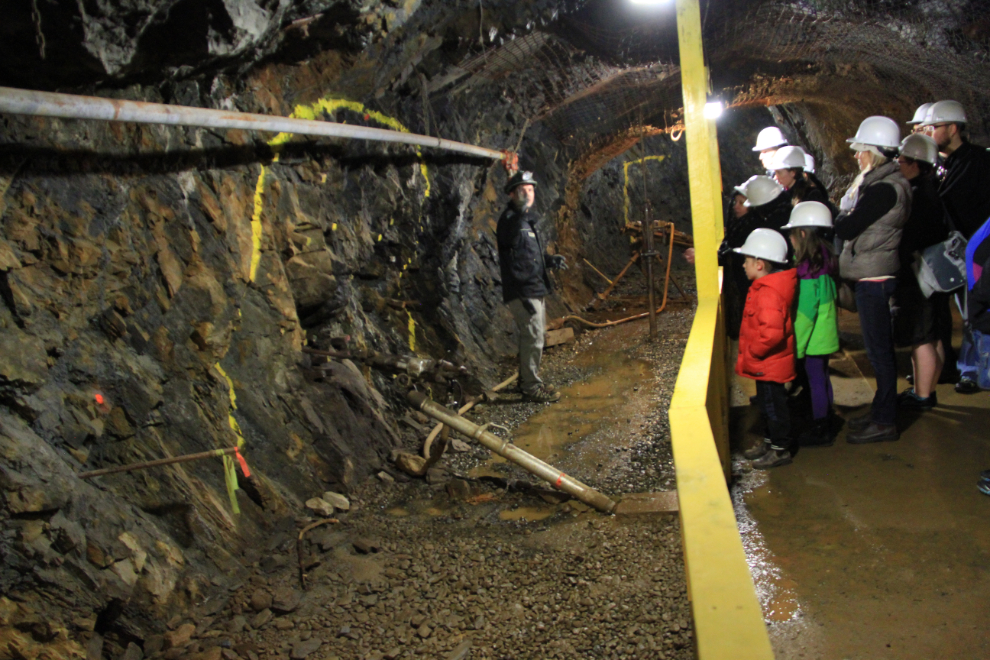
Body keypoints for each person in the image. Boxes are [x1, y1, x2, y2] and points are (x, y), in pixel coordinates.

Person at [835, 116, 912, 444]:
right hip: (873, 276)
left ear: (874, 152)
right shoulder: (885, 184)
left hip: (875, 280)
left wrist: (837, 215)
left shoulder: (883, 189)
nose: (856, 156)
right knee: (877, 351)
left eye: (860, 149)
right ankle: (881, 410)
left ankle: (885, 421)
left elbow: (847, 228)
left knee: (880, 353)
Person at [920, 100, 990, 394]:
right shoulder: (943, 165)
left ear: (952, 128)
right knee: (965, 312)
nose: (930, 132)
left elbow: (951, 199)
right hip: (956, 251)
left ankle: (973, 370)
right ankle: (970, 367)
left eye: (934, 127)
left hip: (979, 250)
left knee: (976, 311)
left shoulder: (976, 161)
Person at [496, 170, 567, 403]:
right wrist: (519, 209)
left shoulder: (527, 220)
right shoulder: (509, 221)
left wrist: (550, 260)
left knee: (533, 336)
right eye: (523, 190)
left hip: (535, 287)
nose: (529, 194)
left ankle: (527, 380)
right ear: (512, 194)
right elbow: (508, 240)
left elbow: (530, 256)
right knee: (534, 337)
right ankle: (530, 387)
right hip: (522, 290)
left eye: (531, 190)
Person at [892, 133, 951, 410]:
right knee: (934, 334)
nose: (898, 165)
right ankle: (926, 389)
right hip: (935, 274)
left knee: (921, 337)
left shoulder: (917, 196)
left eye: (901, 160)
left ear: (915, 164)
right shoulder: (932, 188)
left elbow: (910, 238)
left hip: (919, 276)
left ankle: (922, 396)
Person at [734, 229, 798, 469]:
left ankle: (780, 450)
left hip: (768, 364)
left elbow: (771, 334)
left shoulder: (768, 293)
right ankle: (771, 443)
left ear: (759, 264)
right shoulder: (764, 288)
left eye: (746, 260)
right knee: (768, 404)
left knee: (774, 407)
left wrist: (754, 352)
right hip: (767, 365)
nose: (743, 265)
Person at [781, 202, 840, 446]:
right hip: (826, 334)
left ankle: (820, 428)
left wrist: (796, 347)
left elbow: (806, 315)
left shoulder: (807, 272)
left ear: (802, 234)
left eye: (792, 235)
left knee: (815, 379)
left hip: (815, 339)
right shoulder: (825, 260)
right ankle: (828, 418)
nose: (791, 241)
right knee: (823, 377)